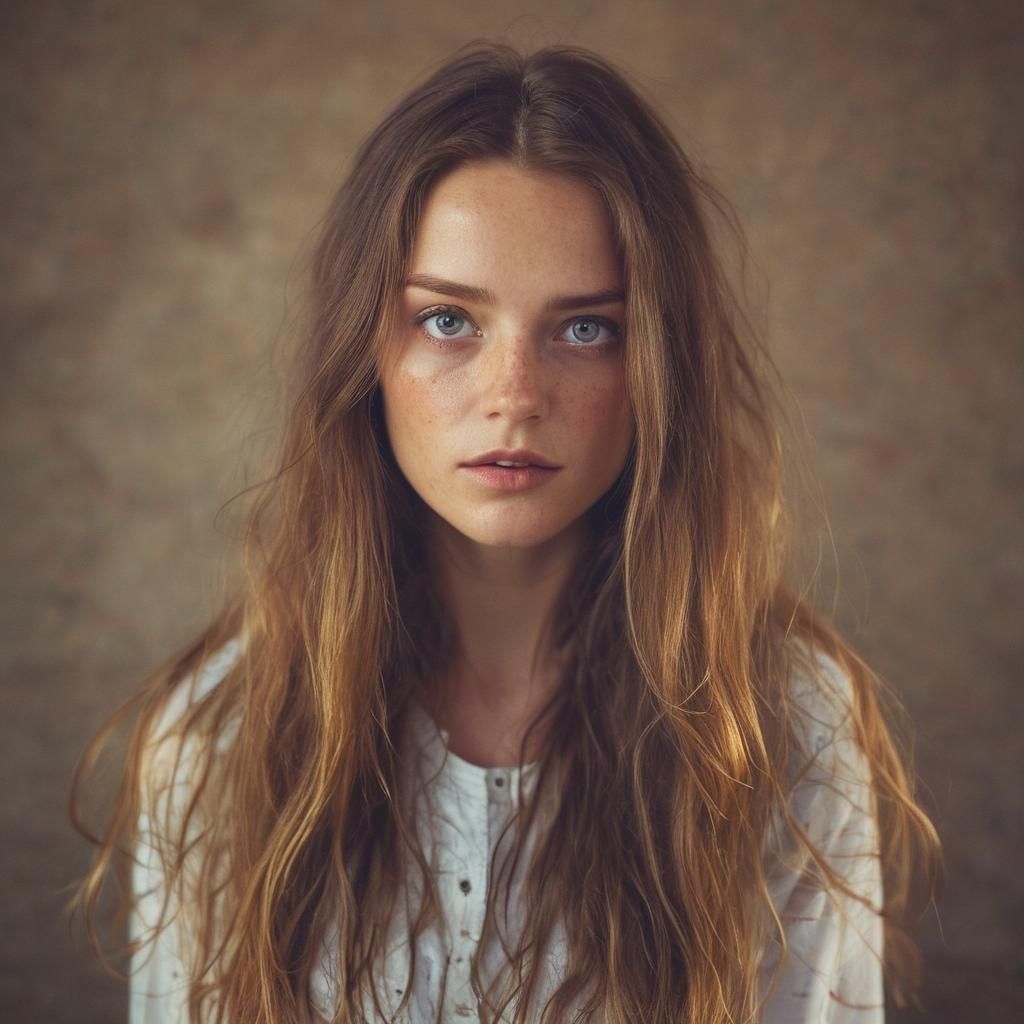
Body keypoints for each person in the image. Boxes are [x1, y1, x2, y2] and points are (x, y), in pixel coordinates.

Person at [72, 41, 941, 1024]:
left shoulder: (779, 722)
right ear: (365, 350)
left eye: (585, 328)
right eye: (449, 320)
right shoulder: (221, 735)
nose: (514, 397)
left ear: (659, 364)